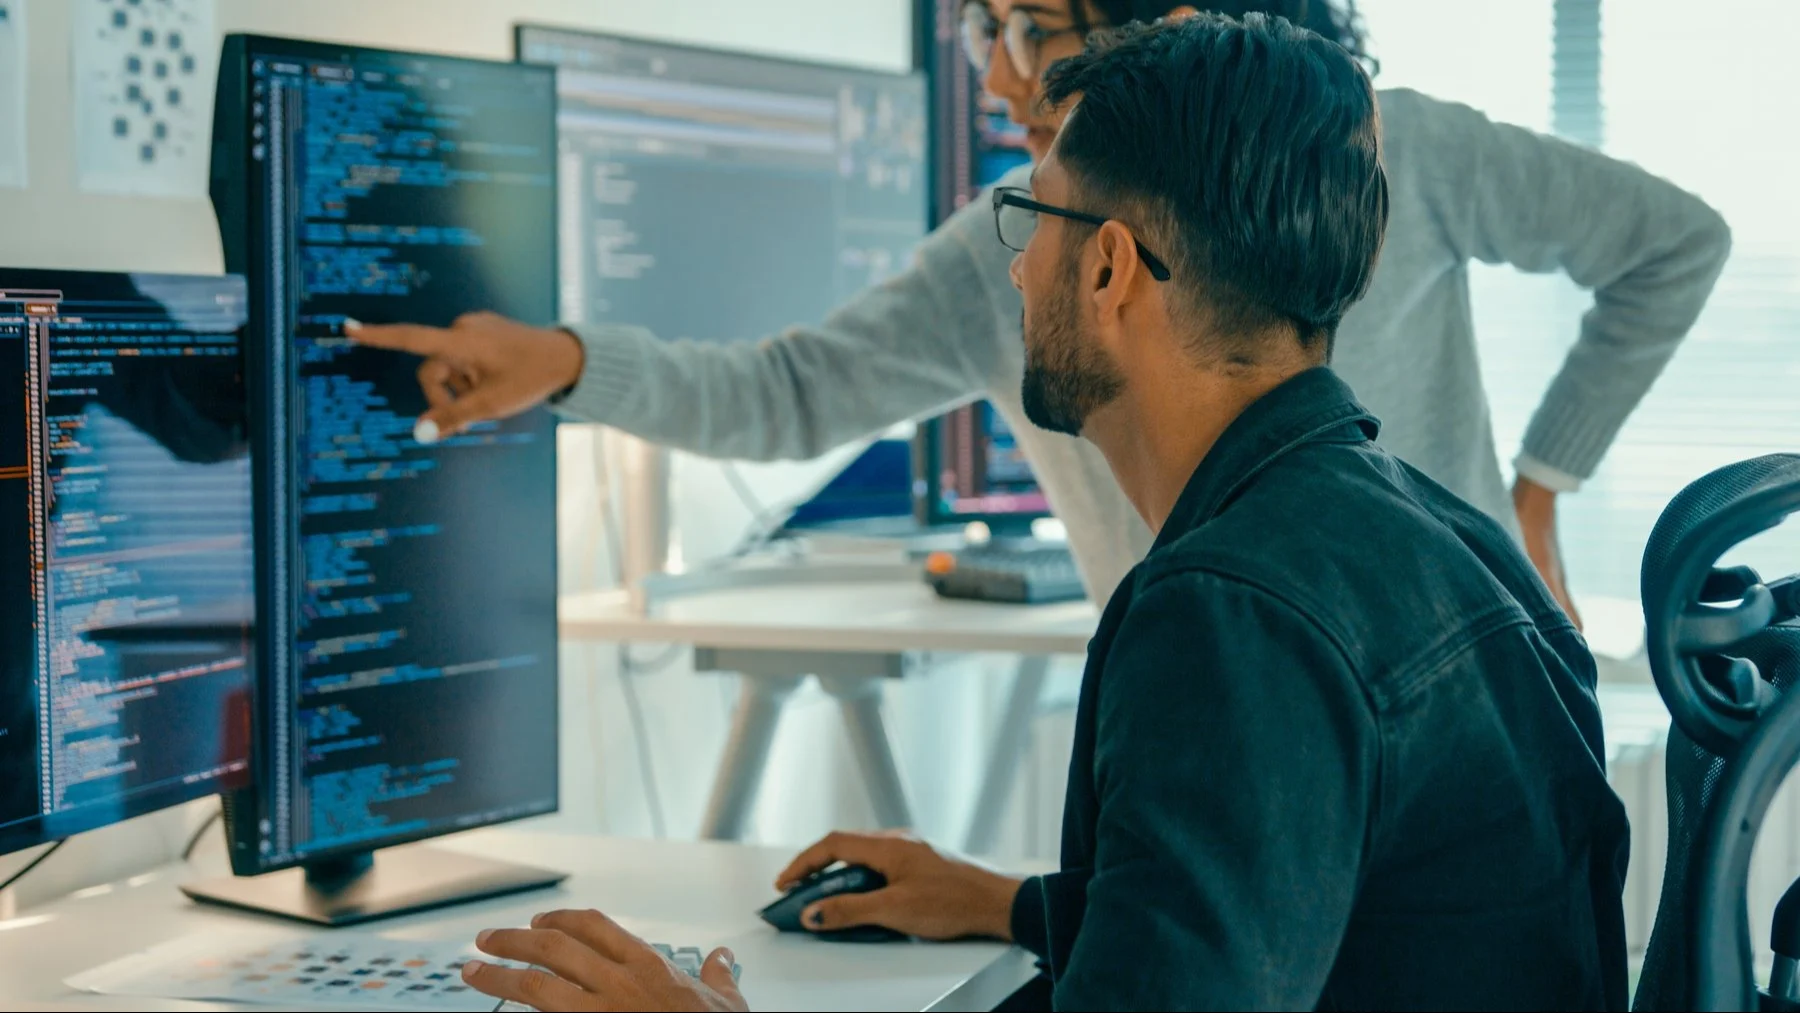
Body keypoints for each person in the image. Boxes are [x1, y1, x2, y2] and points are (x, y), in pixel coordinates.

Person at [452, 15, 1630, 1010]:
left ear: (1111, 268)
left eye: (1035, 222)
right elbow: (1300, 906)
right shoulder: (1441, 533)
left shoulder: (1230, 612)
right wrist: (1010, 903)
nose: (1013, 270)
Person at [348, 0, 1730, 629]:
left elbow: (1676, 242)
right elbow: (790, 393)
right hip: (1202, 719)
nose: (992, 74)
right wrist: (573, 363)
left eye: (1017, 25)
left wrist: (1542, 489)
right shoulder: (1015, 246)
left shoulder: (1398, 151)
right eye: (977, 29)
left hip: (1398, 698)